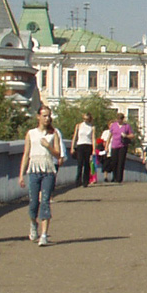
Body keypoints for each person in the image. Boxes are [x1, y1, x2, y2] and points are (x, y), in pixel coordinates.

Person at [19, 105, 62, 246]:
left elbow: (58, 154)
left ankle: (44, 234)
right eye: (44, 115)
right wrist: (21, 174)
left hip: (48, 170)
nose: (47, 118)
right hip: (34, 169)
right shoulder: (31, 133)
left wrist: (48, 146)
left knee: (45, 201)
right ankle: (33, 223)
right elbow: (26, 154)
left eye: (49, 116)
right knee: (33, 202)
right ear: (38, 117)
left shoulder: (53, 133)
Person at [107, 113, 133, 183]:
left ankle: (119, 178)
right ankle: (114, 176)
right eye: (118, 119)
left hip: (122, 146)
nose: (119, 120)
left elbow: (132, 135)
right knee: (114, 162)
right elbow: (110, 136)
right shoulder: (114, 125)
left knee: (121, 162)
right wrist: (107, 146)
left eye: (121, 119)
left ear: (123, 119)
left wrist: (126, 136)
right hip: (114, 145)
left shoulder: (126, 126)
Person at [72, 112, 96, 187]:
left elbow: (93, 138)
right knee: (80, 163)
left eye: (87, 119)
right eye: (84, 119)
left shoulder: (92, 127)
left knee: (86, 164)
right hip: (80, 145)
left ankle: (86, 181)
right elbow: (75, 137)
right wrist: (72, 147)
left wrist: (94, 149)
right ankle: (78, 181)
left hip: (88, 145)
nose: (85, 120)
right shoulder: (79, 126)